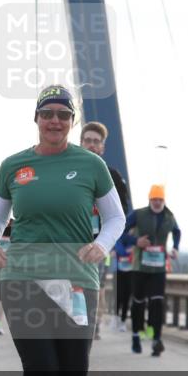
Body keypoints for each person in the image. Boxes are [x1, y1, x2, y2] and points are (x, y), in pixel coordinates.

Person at [0, 85, 124, 376]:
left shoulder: (92, 165)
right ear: (37, 119)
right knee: (41, 369)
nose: (55, 121)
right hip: (22, 275)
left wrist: (101, 246)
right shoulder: (14, 165)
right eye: (48, 114)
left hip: (77, 280)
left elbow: (116, 219)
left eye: (63, 114)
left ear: (72, 122)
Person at [80, 121, 131, 339]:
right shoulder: (69, 172)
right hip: (72, 242)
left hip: (100, 244)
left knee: (97, 287)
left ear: (102, 147)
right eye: (88, 141)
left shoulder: (112, 176)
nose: (92, 145)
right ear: (81, 143)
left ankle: (95, 324)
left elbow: (123, 212)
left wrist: (107, 241)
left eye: (96, 142)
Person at [122, 185, 181, 356]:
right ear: (149, 200)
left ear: (164, 200)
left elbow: (177, 232)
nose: (157, 202)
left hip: (159, 268)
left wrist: (176, 247)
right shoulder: (139, 214)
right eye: (154, 199)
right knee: (138, 302)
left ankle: (156, 339)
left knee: (157, 303)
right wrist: (135, 241)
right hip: (140, 267)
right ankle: (136, 335)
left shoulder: (169, 217)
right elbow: (120, 229)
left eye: (160, 199)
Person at [112, 239, 134, 332]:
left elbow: (120, 252)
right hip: (118, 271)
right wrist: (127, 251)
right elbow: (120, 250)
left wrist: (122, 252)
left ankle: (123, 321)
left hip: (130, 271)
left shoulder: (134, 239)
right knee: (118, 296)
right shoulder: (118, 238)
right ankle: (116, 318)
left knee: (127, 297)